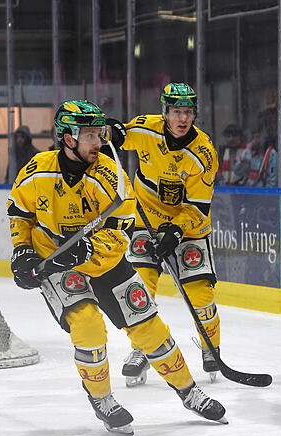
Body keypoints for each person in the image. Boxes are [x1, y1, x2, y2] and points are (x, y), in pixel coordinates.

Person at [7, 100, 226, 435]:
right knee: (88, 326)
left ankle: (188, 390)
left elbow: (122, 229)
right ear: (68, 138)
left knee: (148, 326)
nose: (99, 142)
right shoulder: (37, 171)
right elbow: (20, 213)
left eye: (99, 134)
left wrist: (91, 248)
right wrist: (22, 251)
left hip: (106, 262)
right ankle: (102, 398)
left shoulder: (110, 176)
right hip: (57, 266)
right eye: (90, 135)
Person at [107, 83, 225, 387]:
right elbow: (120, 135)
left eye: (187, 112)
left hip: (188, 226)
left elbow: (199, 205)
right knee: (140, 288)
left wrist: (176, 230)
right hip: (146, 219)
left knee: (200, 293)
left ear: (194, 114)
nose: (182, 118)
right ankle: (142, 349)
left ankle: (212, 348)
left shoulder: (204, 153)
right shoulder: (148, 129)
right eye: (176, 111)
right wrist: (110, 131)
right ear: (166, 112)